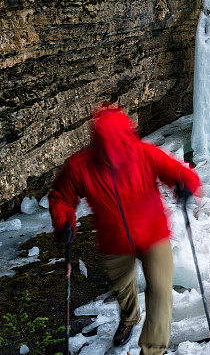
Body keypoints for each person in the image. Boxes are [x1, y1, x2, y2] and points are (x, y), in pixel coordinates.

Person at [49, 103, 202, 355]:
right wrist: (63, 221)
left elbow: (177, 172)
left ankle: (152, 349)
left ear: (127, 137)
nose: (115, 155)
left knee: (161, 292)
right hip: (114, 241)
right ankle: (130, 318)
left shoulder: (144, 154)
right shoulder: (80, 166)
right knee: (123, 288)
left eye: (119, 145)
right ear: (98, 143)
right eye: (108, 148)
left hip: (154, 235)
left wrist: (185, 184)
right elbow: (61, 197)